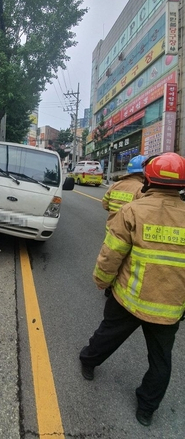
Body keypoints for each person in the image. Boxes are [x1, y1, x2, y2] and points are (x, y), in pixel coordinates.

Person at [79, 152, 185, 427]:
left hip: (129, 297)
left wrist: (102, 281)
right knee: (161, 361)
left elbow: (111, 255)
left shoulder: (133, 211)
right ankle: (146, 410)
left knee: (107, 335)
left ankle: (88, 363)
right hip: (169, 307)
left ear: (147, 180)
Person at [101, 154, 146, 297]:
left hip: (111, 230)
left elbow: (105, 204)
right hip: (128, 234)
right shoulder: (141, 190)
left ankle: (106, 283)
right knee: (125, 261)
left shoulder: (115, 185)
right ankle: (117, 288)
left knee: (111, 257)